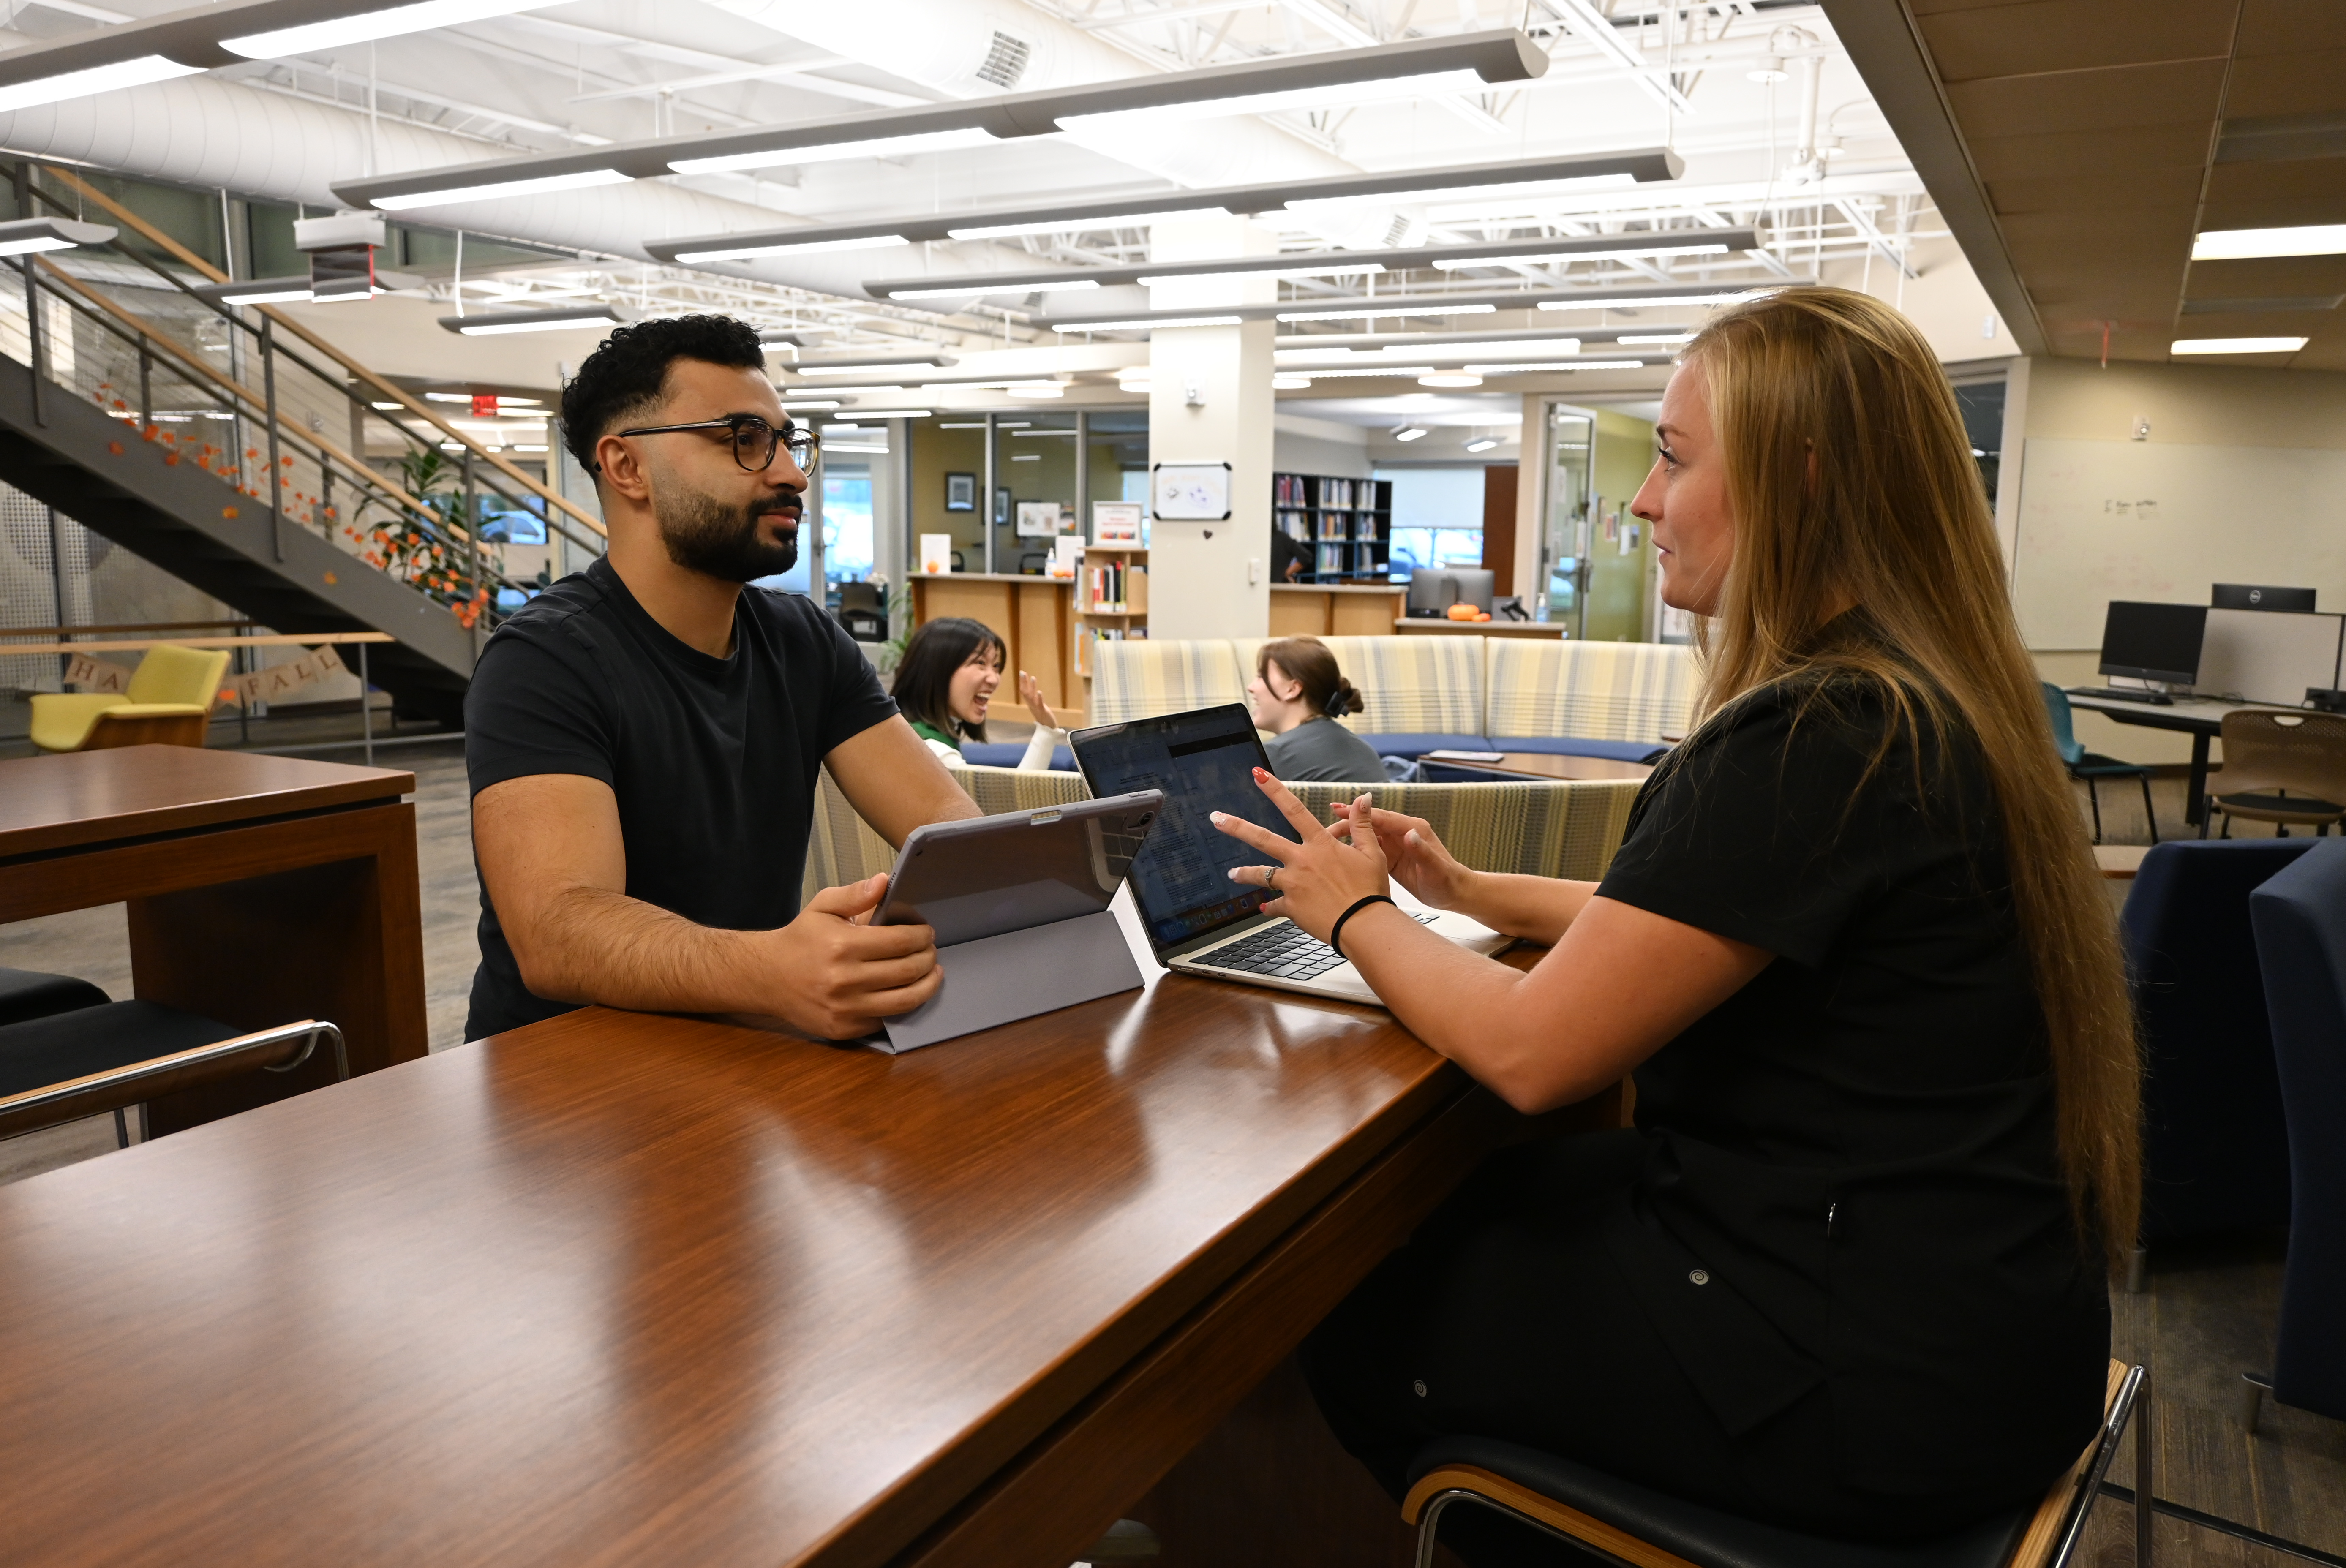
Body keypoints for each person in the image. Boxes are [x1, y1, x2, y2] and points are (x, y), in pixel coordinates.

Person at [1211, 288, 2137, 1552]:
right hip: (1976, 1337)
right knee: (1493, 1198)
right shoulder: (1919, 702)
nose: (1641, 500)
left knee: (1322, 1299)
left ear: (1798, 481)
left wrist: (1352, 912)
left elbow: (1536, 1054)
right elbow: (1702, 921)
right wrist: (1465, 893)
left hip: (1862, 1386)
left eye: (1671, 456)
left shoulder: (1811, 734)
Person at [463, 315, 981, 1044]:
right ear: (627, 467)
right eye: (744, 439)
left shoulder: (803, 640)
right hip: (570, 1087)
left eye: (786, 441)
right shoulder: (544, 661)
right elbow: (558, 930)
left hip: (745, 1056)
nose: (792, 474)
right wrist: (770, 968)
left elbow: (956, 835)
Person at [890, 616, 1067, 771]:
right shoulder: (938, 754)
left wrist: (1046, 729)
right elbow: (1012, 807)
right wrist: (1046, 733)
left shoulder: (908, 731)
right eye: (980, 663)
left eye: (996, 666)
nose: (994, 679)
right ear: (938, 671)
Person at [1249, 637, 1387, 784]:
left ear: (1292, 689)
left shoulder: (1275, 754)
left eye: (1261, 677)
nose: (1251, 687)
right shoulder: (1365, 751)